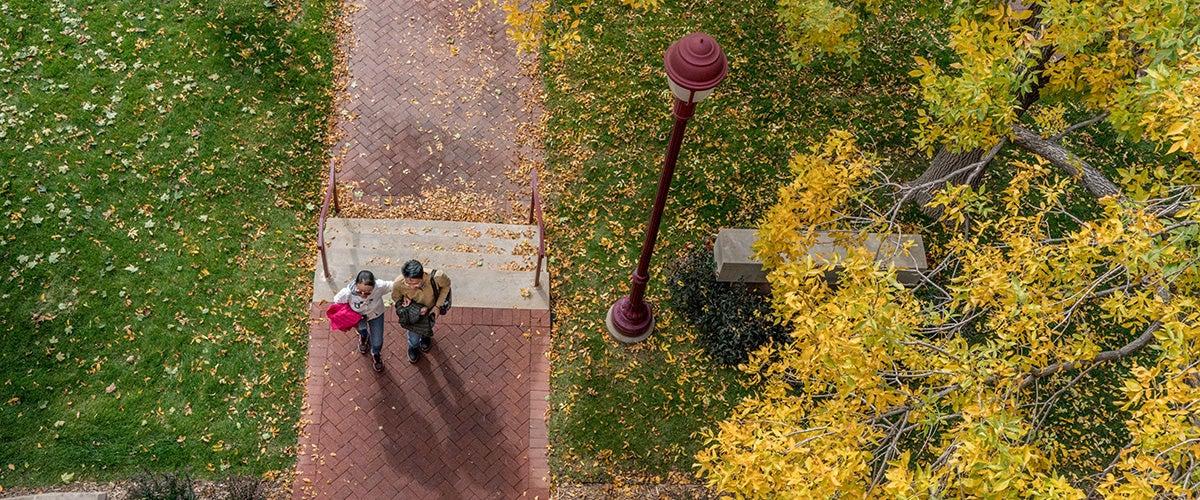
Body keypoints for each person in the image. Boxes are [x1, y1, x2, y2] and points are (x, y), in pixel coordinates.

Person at [332, 270, 394, 372]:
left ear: (374, 287)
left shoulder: (380, 286)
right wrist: (348, 314)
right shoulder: (347, 292)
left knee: (378, 341)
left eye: (368, 292)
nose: (363, 295)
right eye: (360, 291)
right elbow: (337, 301)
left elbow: (394, 285)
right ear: (356, 284)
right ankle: (363, 337)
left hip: (376, 314)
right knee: (362, 330)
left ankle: (376, 353)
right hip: (358, 316)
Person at [392, 259, 451, 364]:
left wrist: (437, 306)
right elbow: (396, 299)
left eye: (415, 283)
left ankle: (425, 336)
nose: (411, 286)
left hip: (431, 311)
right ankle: (413, 347)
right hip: (414, 315)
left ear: (423, 275)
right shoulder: (398, 284)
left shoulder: (437, 277)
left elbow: (446, 286)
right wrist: (405, 302)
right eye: (408, 283)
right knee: (413, 337)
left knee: (429, 326)